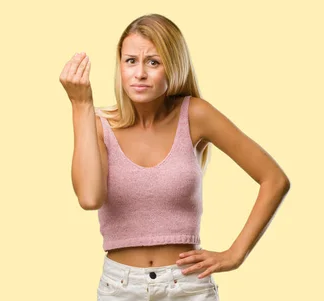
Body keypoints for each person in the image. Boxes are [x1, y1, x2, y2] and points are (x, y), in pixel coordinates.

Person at [59, 13, 290, 300]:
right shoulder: (99, 124)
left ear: (174, 65)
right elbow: (89, 198)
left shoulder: (195, 114)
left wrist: (235, 254)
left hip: (188, 286)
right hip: (120, 288)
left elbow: (274, 179)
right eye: (131, 61)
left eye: (153, 62)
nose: (140, 73)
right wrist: (81, 104)